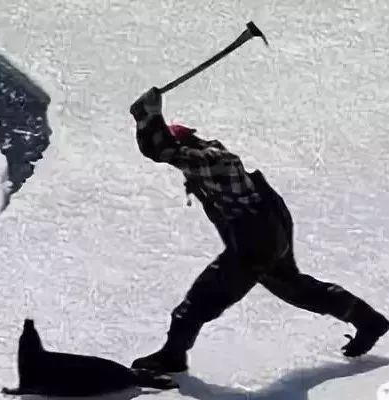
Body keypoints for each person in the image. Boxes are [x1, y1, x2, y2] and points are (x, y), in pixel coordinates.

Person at [128, 87, 389, 374]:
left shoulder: (212, 161)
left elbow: (161, 150)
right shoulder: (204, 158)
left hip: (254, 242)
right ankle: (368, 320)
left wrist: (146, 115)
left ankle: (172, 357)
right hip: (266, 233)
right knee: (296, 288)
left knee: (196, 304)